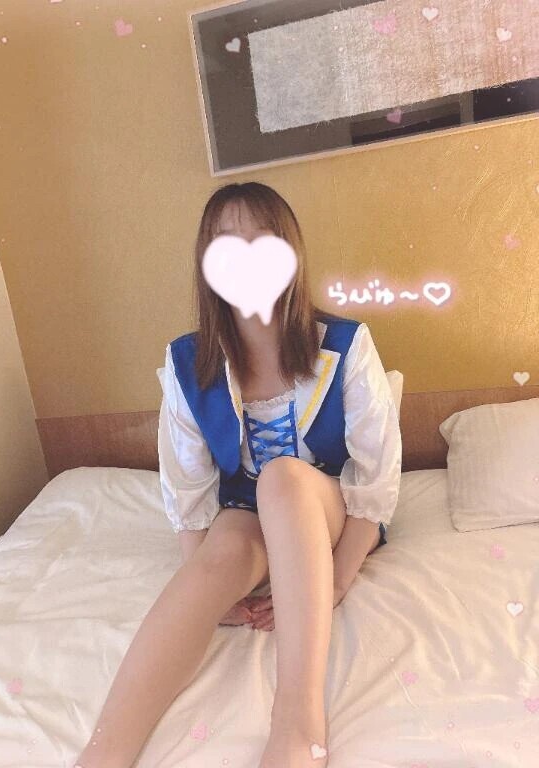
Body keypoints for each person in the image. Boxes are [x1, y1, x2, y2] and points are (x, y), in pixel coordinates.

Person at [74, 182, 402, 768]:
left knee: (283, 479)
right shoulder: (188, 361)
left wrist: (337, 581)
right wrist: (213, 589)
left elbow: (375, 480)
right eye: (228, 243)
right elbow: (188, 486)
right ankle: (102, 753)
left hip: (323, 509)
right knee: (222, 549)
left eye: (263, 239)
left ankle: (298, 727)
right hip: (247, 517)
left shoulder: (345, 344)